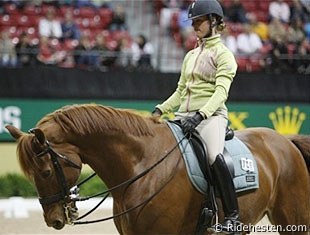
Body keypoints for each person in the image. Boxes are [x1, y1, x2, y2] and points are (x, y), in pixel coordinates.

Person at [152, 0, 240, 233]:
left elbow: (221, 92)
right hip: (184, 115)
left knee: (213, 156)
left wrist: (201, 115)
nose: (195, 26)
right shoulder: (190, 55)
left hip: (211, 117)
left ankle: (232, 216)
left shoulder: (224, 55)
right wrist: (160, 109)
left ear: (214, 22)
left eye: (199, 21)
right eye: (193, 22)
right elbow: (181, 91)